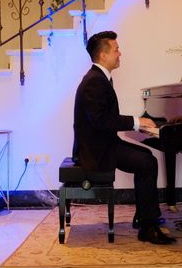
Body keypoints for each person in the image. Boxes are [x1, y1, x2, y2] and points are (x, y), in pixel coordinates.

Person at [73, 30, 176, 245]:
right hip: (96, 150)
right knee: (147, 162)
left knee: (146, 157)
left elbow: (105, 119)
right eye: (117, 49)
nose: (120, 53)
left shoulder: (99, 78)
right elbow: (101, 121)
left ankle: (144, 216)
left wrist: (137, 123)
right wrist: (137, 122)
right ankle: (148, 225)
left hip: (103, 143)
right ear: (103, 55)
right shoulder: (95, 81)